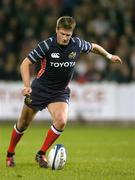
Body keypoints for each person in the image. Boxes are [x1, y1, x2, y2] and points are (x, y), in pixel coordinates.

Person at [6, 16, 122, 168]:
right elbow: (25, 63)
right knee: (23, 124)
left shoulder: (77, 43)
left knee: (61, 121)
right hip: (40, 89)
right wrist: (27, 86)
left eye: (68, 35)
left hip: (59, 92)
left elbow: (93, 46)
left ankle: (41, 154)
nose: (65, 38)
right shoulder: (47, 45)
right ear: (57, 30)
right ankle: (10, 154)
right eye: (62, 34)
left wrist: (109, 56)